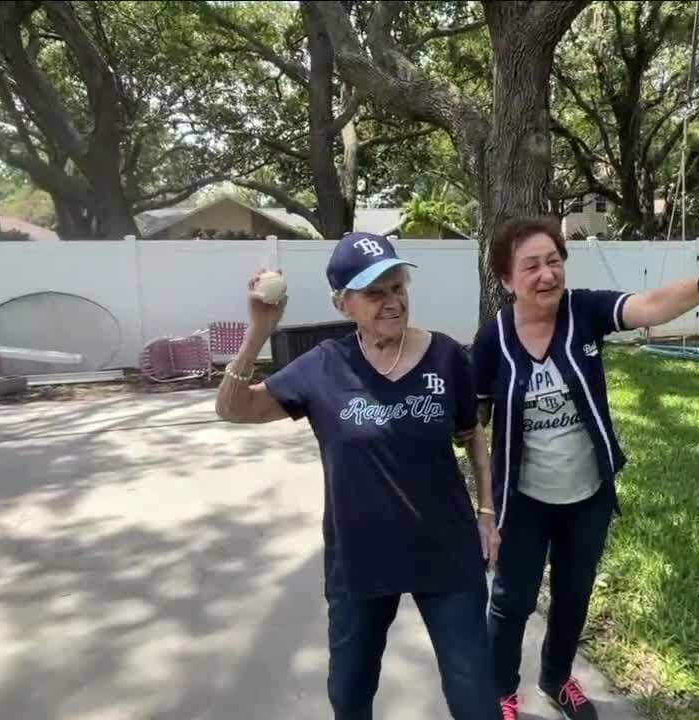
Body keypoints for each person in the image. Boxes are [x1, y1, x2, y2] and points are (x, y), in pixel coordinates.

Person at [472, 217, 699, 720]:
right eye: (531, 266)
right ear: (507, 280)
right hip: (523, 501)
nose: (547, 274)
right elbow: (474, 427)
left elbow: (650, 305)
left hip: (588, 496)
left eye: (554, 262)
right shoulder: (492, 342)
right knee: (511, 604)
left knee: (573, 597)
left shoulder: (585, 312)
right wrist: (486, 506)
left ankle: (556, 678)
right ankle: (501, 691)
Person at [215, 232, 503, 720]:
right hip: (360, 560)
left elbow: (472, 432)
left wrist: (487, 512)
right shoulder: (323, 367)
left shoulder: (447, 357)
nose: (391, 302)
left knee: (474, 696)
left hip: (447, 554)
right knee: (350, 695)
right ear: (343, 303)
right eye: (374, 293)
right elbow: (234, 409)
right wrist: (257, 335)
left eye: (397, 287)